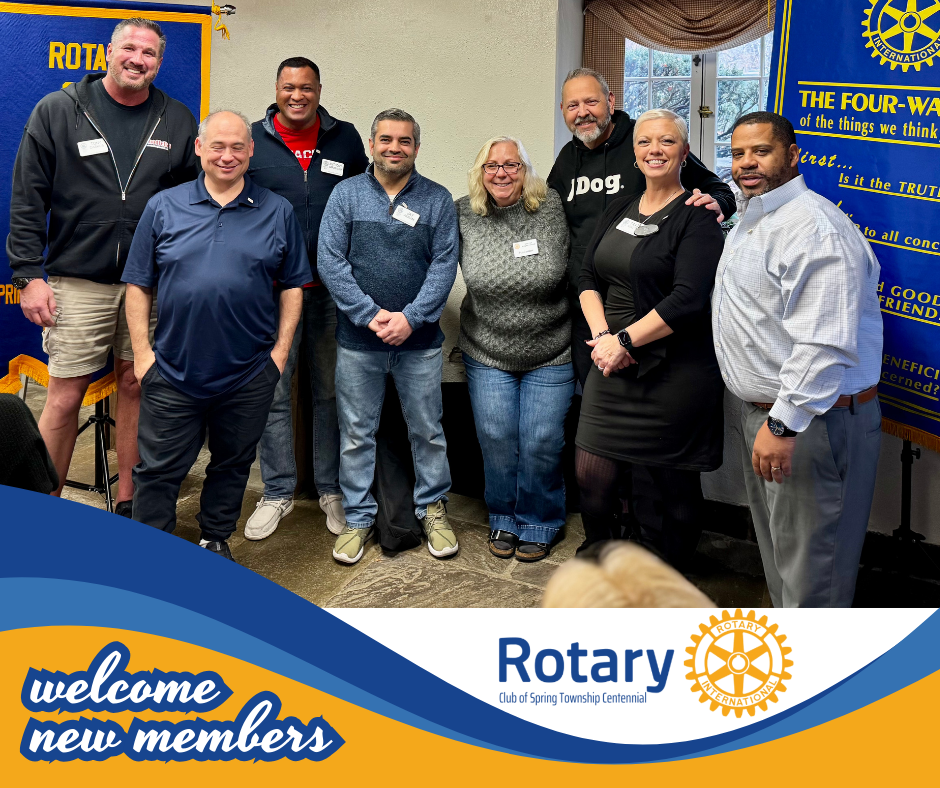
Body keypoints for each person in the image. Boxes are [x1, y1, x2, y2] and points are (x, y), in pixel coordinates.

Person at [6, 18, 198, 516]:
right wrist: (28, 274)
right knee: (66, 392)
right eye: (129, 48)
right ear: (108, 51)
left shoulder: (176, 119)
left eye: (149, 53)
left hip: (149, 285)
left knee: (138, 384)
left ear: (160, 62)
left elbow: (191, 204)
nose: (137, 59)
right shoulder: (59, 110)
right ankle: (40, 509)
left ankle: (132, 505)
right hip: (77, 281)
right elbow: (29, 198)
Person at [122, 111, 311, 562]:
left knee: (231, 465)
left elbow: (292, 287)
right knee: (158, 470)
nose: (227, 156)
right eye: (218, 146)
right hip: (172, 369)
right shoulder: (163, 206)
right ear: (200, 148)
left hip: (248, 373)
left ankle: (215, 537)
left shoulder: (277, 210)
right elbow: (138, 285)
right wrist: (143, 355)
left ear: (251, 152)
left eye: (237, 147)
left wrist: (279, 355)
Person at [712, 111, 882, 608]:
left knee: (814, 580)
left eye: (761, 151)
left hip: (811, 423)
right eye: (738, 153)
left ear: (792, 155)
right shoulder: (755, 216)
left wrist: (784, 426)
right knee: (783, 565)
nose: (747, 163)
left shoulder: (814, 228)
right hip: (768, 416)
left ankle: (822, 679)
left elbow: (823, 343)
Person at [575, 109, 726, 566]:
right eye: (644, 143)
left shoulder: (697, 216)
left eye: (665, 142)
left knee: (672, 484)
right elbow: (585, 273)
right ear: (635, 154)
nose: (653, 150)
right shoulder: (619, 204)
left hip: (672, 369)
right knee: (591, 477)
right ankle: (600, 561)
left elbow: (688, 299)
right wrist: (605, 338)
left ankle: (671, 574)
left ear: (684, 152)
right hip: (609, 361)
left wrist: (624, 342)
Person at [318, 108, 459, 565]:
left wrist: (410, 318)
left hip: (418, 344)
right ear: (373, 145)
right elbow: (330, 261)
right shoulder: (346, 195)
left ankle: (432, 509)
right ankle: (359, 517)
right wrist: (371, 314)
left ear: (416, 147)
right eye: (385, 139)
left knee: (428, 431)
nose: (394, 148)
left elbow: (443, 266)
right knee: (358, 433)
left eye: (404, 141)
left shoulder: (437, 199)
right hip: (359, 342)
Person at [244, 56, 369, 541]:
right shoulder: (253, 140)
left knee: (331, 393)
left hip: (333, 291)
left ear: (320, 89)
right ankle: (276, 492)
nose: (297, 96)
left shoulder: (345, 137)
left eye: (307, 87)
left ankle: (330, 491)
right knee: (273, 392)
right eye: (289, 87)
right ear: (276, 89)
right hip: (271, 294)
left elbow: (365, 198)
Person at [548, 68, 735, 388]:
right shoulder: (567, 159)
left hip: (649, 305)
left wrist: (717, 203)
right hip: (589, 308)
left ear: (610, 100)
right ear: (563, 111)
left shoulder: (644, 142)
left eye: (591, 101)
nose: (582, 113)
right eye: (572, 105)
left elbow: (717, 188)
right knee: (598, 394)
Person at [456, 136, 573, 562]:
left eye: (511, 165)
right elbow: (430, 260)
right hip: (487, 350)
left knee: (542, 439)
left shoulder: (553, 207)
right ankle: (503, 517)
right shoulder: (463, 213)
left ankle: (541, 520)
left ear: (526, 171)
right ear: (479, 173)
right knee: (496, 437)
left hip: (551, 349)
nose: (501, 173)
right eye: (491, 166)